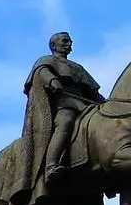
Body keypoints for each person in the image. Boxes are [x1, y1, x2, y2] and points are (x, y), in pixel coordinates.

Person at [23, 32, 106, 183]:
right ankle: (51, 165)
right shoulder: (46, 61)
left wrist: (105, 103)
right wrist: (53, 81)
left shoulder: (77, 67)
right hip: (63, 104)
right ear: (54, 45)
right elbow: (42, 72)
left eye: (70, 41)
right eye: (65, 41)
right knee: (66, 122)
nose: (69, 44)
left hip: (84, 105)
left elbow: (92, 91)